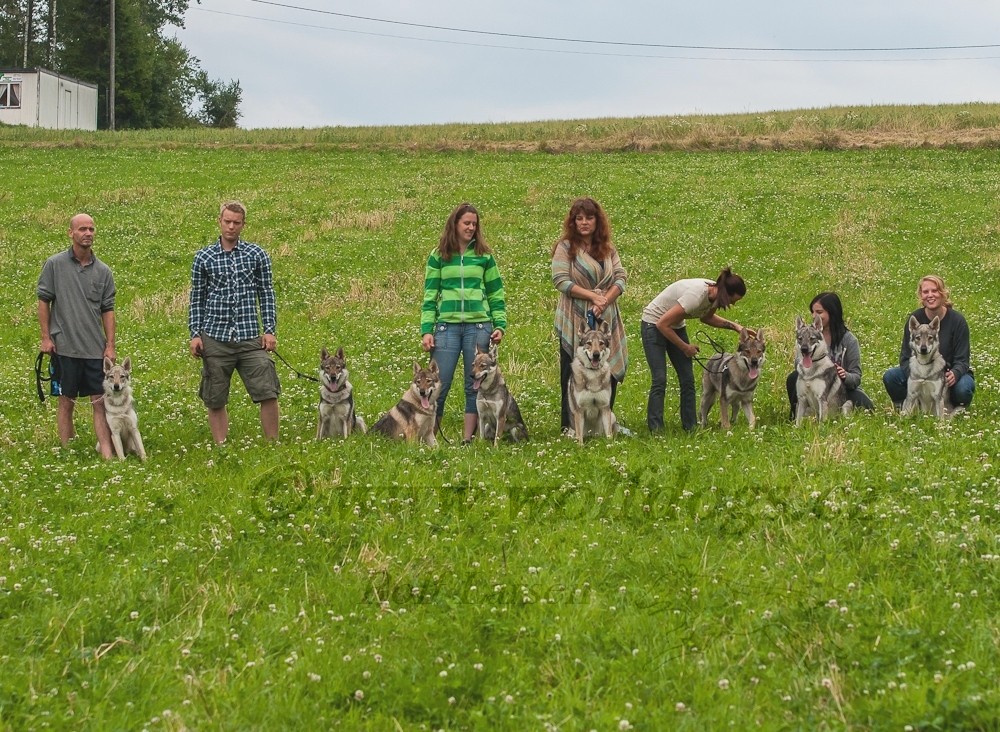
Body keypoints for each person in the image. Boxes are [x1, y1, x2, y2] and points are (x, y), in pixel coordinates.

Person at [189, 201, 281, 444]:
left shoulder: (257, 254)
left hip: (250, 336)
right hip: (215, 337)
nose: (231, 226)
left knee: (267, 390)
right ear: (219, 221)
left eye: (236, 223)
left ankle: (273, 443)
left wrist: (269, 330)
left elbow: (266, 294)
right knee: (215, 395)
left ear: (243, 225)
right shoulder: (203, 257)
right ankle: (222, 446)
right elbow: (197, 298)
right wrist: (195, 334)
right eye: (227, 221)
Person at [421, 203, 507, 443]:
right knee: (438, 384)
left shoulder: (484, 256)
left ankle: (468, 439)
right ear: (455, 224)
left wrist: (499, 324)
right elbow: (430, 296)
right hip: (446, 327)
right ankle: (430, 438)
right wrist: (427, 330)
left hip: (478, 326)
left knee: (475, 384)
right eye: (466, 223)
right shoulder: (438, 255)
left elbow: (495, 293)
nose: (471, 227)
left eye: (474, 224)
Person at [37, 213, 117, 458]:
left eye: (91, 229)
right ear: (71, 233)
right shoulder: (54, 265)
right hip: (64, 348)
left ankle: (106, 451)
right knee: (66, 401)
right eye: (82, 229)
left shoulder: (103, 271)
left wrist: (110, 345)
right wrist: (46, 338)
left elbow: (108, 309)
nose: (88, 233)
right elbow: (43, 301)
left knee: (99, 402)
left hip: (95, 349)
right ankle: (66, 450)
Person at [640, 268, 752, 432]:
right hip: (653, 324)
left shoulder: (715, 296)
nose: (732, 304)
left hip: (675, 326)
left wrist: (735, 327)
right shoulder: (696, 296)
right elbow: (662, 324)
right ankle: (655, 429)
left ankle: (690, 427)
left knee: (687, 379)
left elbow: (706, 317)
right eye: (732, 300)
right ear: (724, 293)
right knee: (660, 378)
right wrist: (685, 347)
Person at [551, 197, 628, 434]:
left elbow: (620, 277)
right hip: (575, 315)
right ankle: (570, 426)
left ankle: (603, 424)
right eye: (579, 218)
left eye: (590, 218)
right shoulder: (565, 248)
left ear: (597, 221)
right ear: (573, 222)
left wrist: (605, 300)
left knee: (606, 365)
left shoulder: (608, 248)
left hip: (607, 313)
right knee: (571, 371)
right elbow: (561, 280)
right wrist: (593, 297)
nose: (585, 223)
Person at [883, 275, 973, 410]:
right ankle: (907, 406)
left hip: (947, 375)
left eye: (934, 291)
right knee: (891, 376)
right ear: (921, 295)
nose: (930, 295)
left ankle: (953, 408)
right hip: (919, 371)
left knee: (964, 388)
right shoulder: (914, 319)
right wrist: (917, 379)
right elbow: (905, 358)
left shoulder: (957, 321)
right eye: (926, 292)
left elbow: (963, 359)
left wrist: (956, 372)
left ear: (942, 293)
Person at [786, 292, 875, 418]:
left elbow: (856, 377)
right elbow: (798, 363)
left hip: (842, 389)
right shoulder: (806, 338)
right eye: (813, 312)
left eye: (819, 312)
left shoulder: (849, 340)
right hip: (813, 384)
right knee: (793, 377)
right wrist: (806, 364)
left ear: (832, 312)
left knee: (867, 407)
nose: (814, 315)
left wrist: (845, 375)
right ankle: (796, 415)